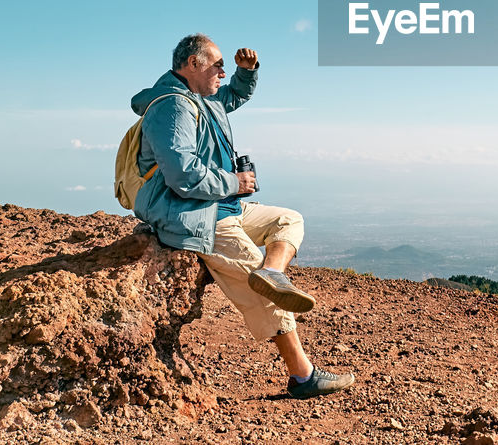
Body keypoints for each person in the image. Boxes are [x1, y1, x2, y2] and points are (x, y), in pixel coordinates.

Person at [130, 33, 354, 399]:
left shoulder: (203, 98)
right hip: (197, 214)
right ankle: (303, 377)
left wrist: (245, 73)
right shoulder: (172, 107)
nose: (222, 70)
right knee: (259, 284)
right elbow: (183, 175)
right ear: (193, 64)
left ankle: (274, 272)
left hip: (224, 204)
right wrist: (235, 181)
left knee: (289, 220)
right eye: (216, 64)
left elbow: (232, 95)